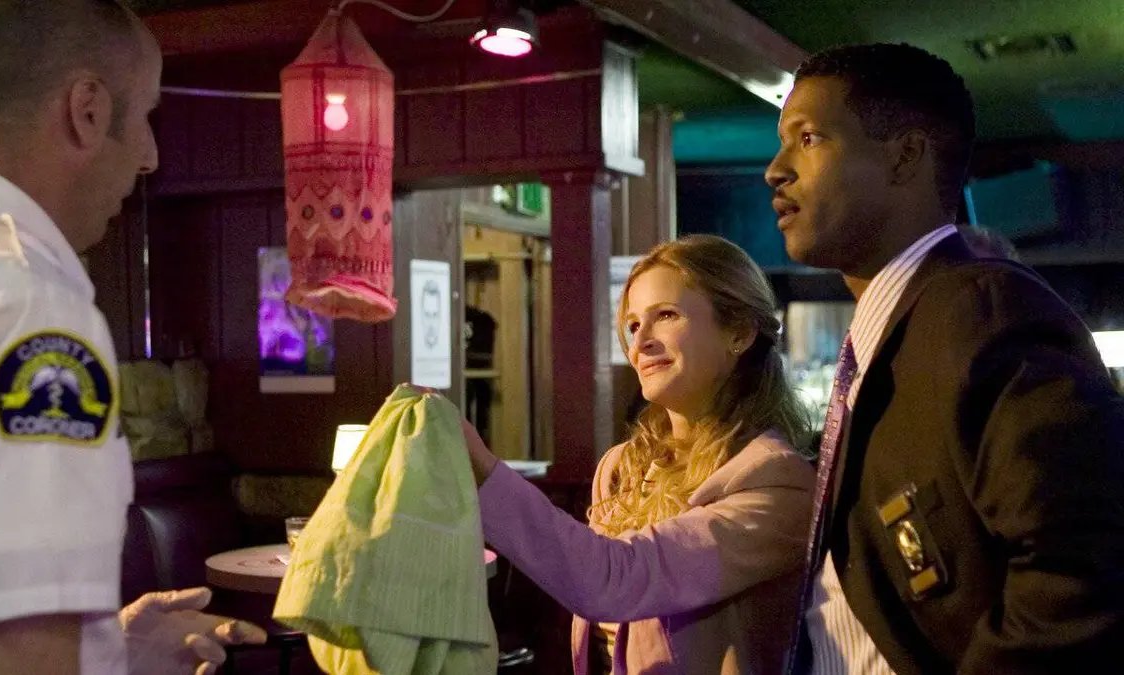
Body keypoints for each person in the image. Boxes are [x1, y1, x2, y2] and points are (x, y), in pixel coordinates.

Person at [0, 2, 266, 674]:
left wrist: (109, 648)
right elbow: (23, 659)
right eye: (145, 117)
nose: (150, 156)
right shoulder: (26, 308)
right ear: (87, 110)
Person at [764, 42, 1124, 675]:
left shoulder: (984, 311)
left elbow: (1085, 564)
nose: (776, 170)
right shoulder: (890, 332)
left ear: (905, 156)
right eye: (782, 143)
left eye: (809, 138)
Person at [459, 235, 817, 674]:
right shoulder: (622, 467)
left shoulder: (779, 482)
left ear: (739, 332)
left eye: (666, 315)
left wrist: (483, 470)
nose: (640, 342)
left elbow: (613, 580)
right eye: (632, 325)